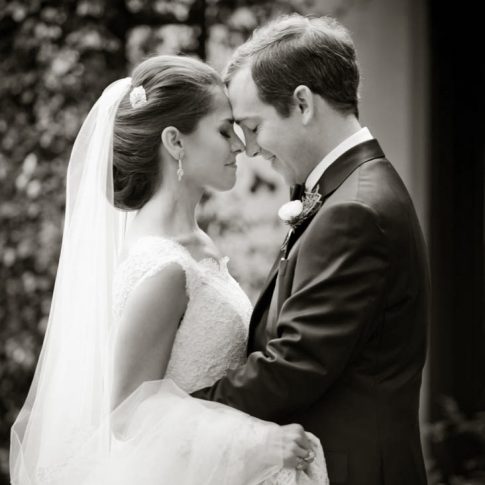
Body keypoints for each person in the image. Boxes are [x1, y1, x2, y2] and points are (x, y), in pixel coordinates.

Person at [10, 55, 328, 484]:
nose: (239, 145)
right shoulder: (164, 267)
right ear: (175, 142)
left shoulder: (196, 247)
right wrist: (258, 443)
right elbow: (128, 413)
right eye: (223, 130)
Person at [192, 14, 430, 485]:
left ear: (302, 103)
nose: (253, 149)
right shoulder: (349, 192)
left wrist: (177, 412)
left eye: (254, 127)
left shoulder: (354, 209)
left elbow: (296, 363)